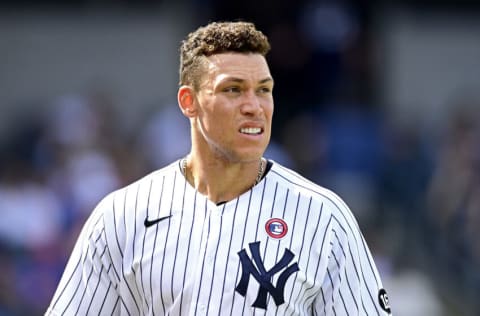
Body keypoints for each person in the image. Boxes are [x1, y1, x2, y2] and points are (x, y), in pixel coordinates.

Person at [46, 21, 392, 315]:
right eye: (233, 90)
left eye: (263, 90)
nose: (254, 106)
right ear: (189, 102)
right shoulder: (121, 215)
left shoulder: (323, 216)